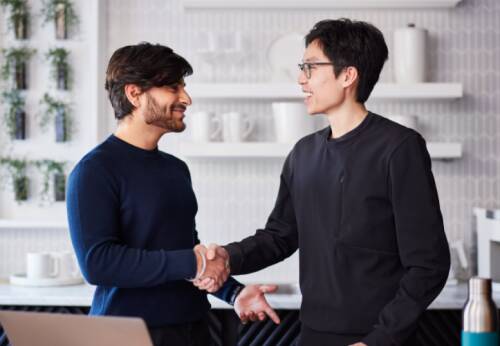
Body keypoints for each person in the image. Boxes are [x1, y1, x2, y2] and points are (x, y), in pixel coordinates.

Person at [196, 19, 451, 346]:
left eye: (310, 67)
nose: (301, 79)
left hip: (378, 338)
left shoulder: (399, 148)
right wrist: (226, 257)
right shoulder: (303, 153)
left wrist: (379, 340)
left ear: (348, 75)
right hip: (313, 334)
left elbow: (429, 264)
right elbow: (279, 236)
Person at [66, 42, 279, 346]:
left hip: (193, 329)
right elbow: (98, 263)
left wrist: (233, 292)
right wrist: (196, 263)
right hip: (127, 335)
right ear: (134, 93)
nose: (186, 99)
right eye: (172, 87)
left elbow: (183, 251)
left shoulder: (176, 169)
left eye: (184, 87)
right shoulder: (94, 171)